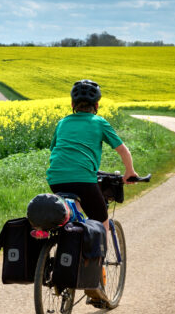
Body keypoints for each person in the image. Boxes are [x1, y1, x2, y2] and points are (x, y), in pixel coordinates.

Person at [46, 79, 140, 223]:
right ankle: (100, 246)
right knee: (102, 219)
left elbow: (54, 150)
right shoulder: (99, 122)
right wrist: (130, 172)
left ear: (72, 105)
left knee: (72, 212)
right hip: (84, 180)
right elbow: (123, 151)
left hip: (56, 180)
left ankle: (71, 236)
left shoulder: (62, 123)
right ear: (96, 105)